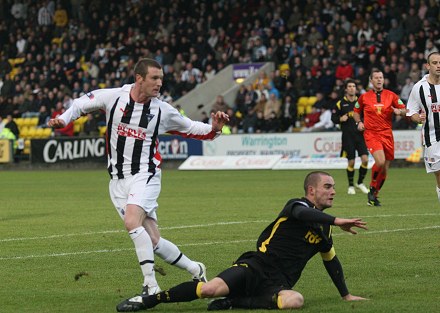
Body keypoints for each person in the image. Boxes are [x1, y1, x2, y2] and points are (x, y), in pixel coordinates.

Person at [47, 58, 229, 296]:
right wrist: (64, 118)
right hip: (117, 182)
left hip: (146, 174)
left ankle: (150, 286)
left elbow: (193, 128)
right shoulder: (114, 97)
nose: (159, 83)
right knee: (153, 240)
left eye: (161, 78)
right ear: (139, 79)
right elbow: (82, 103)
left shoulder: (161, 110)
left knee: (132, 221)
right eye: (154, 78)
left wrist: (214, 127)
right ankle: (196, 268)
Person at [116, 171, 368, 312]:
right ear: (312, 190)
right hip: (255, 266)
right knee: (209, 289)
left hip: (279, 283)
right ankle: (152, 299)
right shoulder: (297, 205)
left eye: (334, 186)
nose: (333, 191)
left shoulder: (325, 228)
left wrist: (345, 295)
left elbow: (331, 261)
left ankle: (233, 302)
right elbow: (303, 215)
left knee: (294, 301)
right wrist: (336, 220)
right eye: (328, 186)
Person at [353, 69, 407, 206]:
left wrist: (399, 111)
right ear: (371, 81)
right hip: (372, 133)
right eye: (376, 78)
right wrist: (358, 122)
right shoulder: (364, 97)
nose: (379, 80)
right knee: (380, 161)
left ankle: (374, 196)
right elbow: (356, 111)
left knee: (385, 168)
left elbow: (405, 109)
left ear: (384, 80)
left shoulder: (391, 95)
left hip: (387, 134)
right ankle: (372, 187)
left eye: (381, 77)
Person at [406, 51, 440, 203]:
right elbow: (410, 112)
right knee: (439, 175)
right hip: (432, 138)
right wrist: (417, 118)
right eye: (435, 63)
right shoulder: (419, 88)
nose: (439, 66)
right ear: (428, 66)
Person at [331, 80, 369, 195]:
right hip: (347, 137)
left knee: (365, 160)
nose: (352, 88)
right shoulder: (340, 103)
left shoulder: (361, 102)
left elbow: (367, 115)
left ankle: (360, 182)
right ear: (346, 89)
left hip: (361, 136)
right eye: (350, 86)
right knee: (351, 162)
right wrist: (340, 119)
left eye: (354, 86)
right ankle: (351, 186)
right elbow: (333, 118)